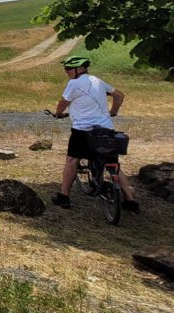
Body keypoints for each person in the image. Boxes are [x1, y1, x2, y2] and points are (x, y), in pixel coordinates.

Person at [50, 56, 138, 212]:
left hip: (82, 131)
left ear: (79, 69)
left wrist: (58, 113)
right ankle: (130, 201)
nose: (67, 72)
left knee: (72, 160)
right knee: (114, 165)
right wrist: (113, 112)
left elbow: (63, 103)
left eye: (69, 69)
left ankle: (64, 197)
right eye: (66, 69)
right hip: (105, 130)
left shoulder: (74, 83)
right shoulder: (97, 81)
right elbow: (119, 95)